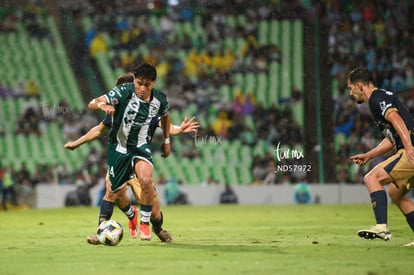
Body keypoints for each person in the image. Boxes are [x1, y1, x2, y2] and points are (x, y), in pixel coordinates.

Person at [88, 63, 171, 241]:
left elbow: (166, 118)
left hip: (140, 148)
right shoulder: (123, 94)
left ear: (154, 83)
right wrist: (103, 105)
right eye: (139, 83)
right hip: (120, 150)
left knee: (149, 186)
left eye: (146, 85)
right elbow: (94, 103)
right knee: (112, 192)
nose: (142, 88)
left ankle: (152, 226)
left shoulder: (160, 100)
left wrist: (166, 141)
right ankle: (100, 233)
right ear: (134, 80)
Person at [348, 67, 414, 246]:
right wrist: (369, 155)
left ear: (359, 86)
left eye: (350, 88)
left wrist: (409, 146)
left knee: (371, 178)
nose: (350, 93)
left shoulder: (377, 98)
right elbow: (392, 138)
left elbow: (397, 120)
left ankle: (382, 227)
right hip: (408, 147)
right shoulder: (380, 98)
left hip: (411, 150)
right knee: (396, 193)